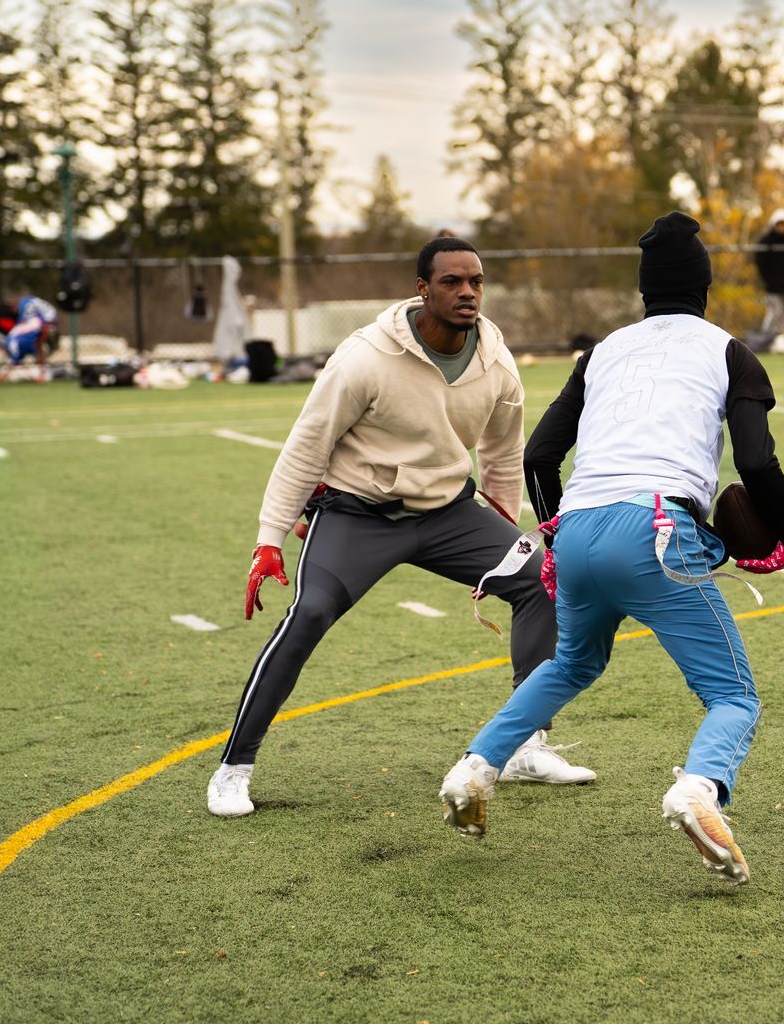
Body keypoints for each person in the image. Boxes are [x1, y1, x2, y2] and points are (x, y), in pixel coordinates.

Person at [439, 212, 784, 885]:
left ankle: (474, 768)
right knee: (733, 696)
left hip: (580, 525)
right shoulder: (728, 349)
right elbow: (755, 460)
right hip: (658, 530)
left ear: (644, 291)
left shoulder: (603, 350)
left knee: (572, 663)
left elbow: (541, 456)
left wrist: (555, 532)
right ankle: (698, 789)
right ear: (705, 287)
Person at [207, 237, 592, 819]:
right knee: (309, 613)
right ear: (422, 289)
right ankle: (233, 769)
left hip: (450, 513)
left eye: (476, 282)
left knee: (539, 578)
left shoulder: (498, 360)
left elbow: (503, 453)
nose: (467, 293)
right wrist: (269, 538)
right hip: (358, 513)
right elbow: (307, 448)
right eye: (451, 282)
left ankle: (524, 745)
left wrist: (506, 532)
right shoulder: (364, 357)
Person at [749, 209, 784, 352]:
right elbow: (761, 264)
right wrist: (768, 281)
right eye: (780, 224)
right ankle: (766, 339)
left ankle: (779, 340)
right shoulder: (766, 241)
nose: (782, 228)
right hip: (772, 287)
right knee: (774, 312)